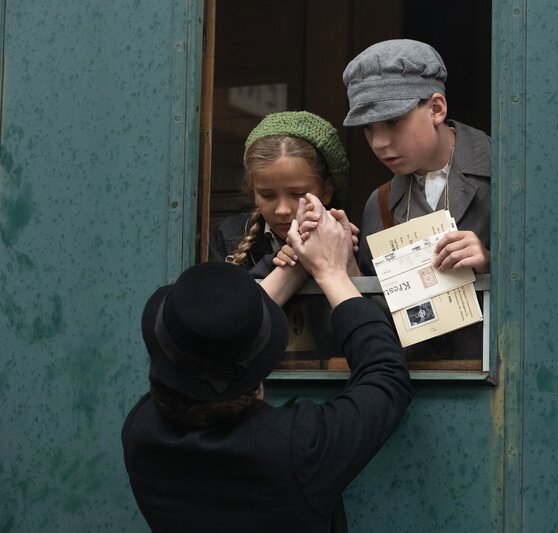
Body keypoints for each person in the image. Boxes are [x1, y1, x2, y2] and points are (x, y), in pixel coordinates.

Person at [122, 194, 412, 533]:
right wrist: (331, 272)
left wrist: (296, 262)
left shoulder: (142, 432)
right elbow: (386, 376)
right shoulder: (295, 448)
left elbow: (206, 342)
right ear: (258, 380)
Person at [342, 39, 491, 358]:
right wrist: (346, 264)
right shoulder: (379, 204)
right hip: (416, 377)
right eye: (368, 128)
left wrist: (493, 263)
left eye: (393, 121)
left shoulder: (509, 178)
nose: (379, 143)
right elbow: (379, 319)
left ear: (436, 108)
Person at [208, 110, 351, 279]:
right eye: (267, 195)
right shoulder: (228, 236)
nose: (282, 210)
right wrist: (273, 264)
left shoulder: (347, 241)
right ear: (253, 192)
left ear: (326, 191)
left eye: (297, 194)